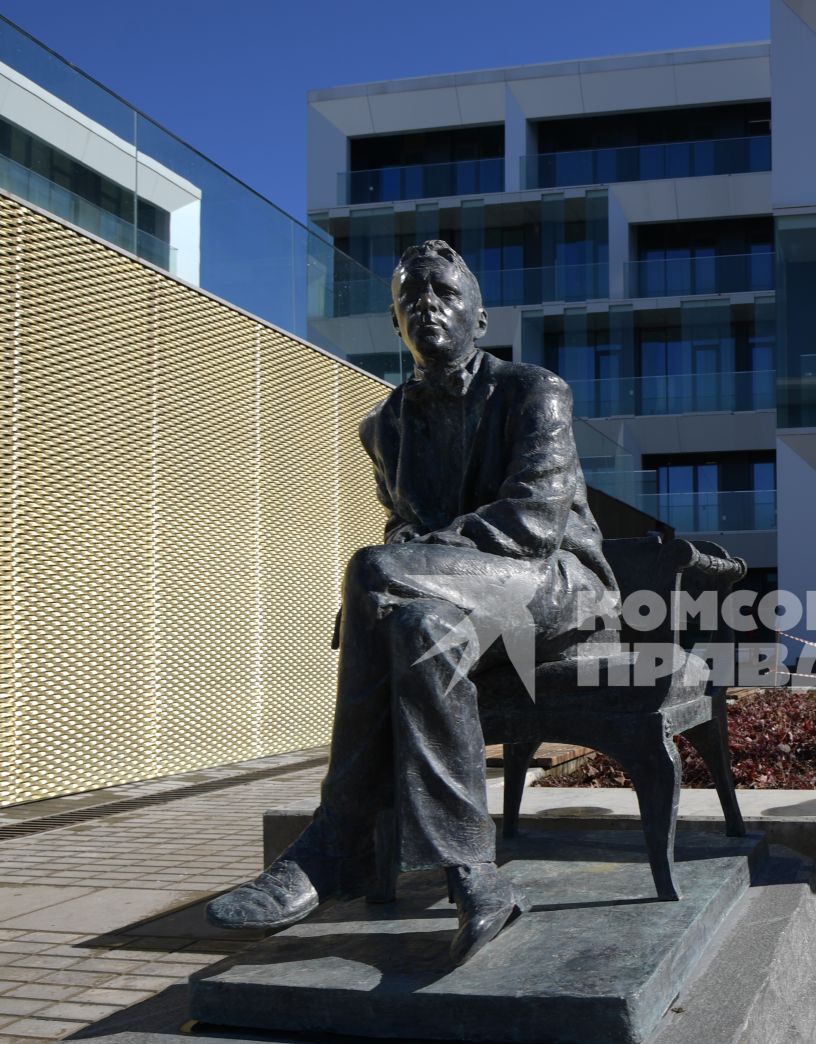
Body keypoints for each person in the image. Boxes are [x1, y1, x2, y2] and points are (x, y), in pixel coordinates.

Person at [206, 240, 618, 963]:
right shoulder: (383, 425)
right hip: (458, 600)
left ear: (480, 318)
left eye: (444, 292)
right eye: (410, 297)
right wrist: (411, 571)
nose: (427, 304)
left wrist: (403, 568)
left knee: (374, 571)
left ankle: (335, 844)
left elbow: (533, 519)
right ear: (397, 324)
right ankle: (472, 875)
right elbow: (403, 523)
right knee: (419, 624)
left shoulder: (534, 391)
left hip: (553, 584)